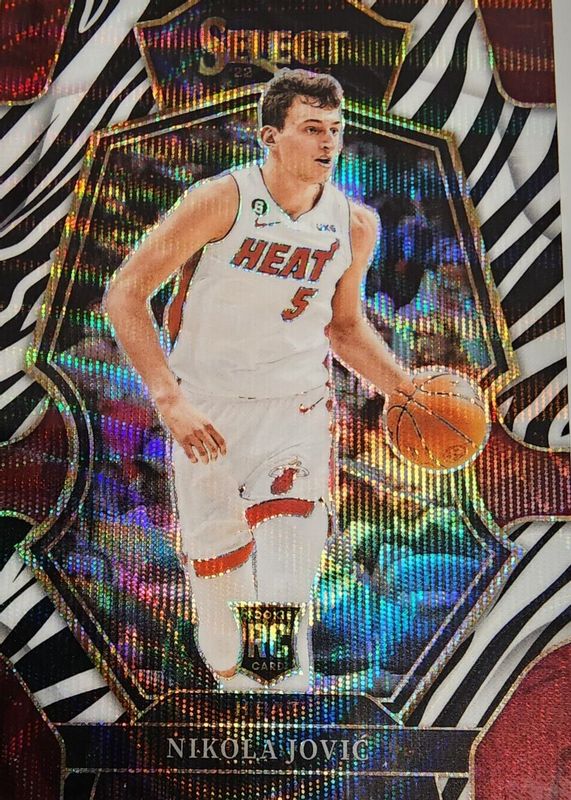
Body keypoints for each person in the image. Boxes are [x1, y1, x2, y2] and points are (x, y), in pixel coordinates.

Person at [105, 68, 414, 692]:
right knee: (221, 594)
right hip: (208, 409)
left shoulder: (354, 224)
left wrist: (406, 391)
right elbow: (125, 294)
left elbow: (344, 328)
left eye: (335, 129)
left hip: (294, 408)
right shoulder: (220, 200)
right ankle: (234, 682)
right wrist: (169, 400)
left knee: (289, 561)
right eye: (311, 128)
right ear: (270, 136)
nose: (327, 142)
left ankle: (282, 691)